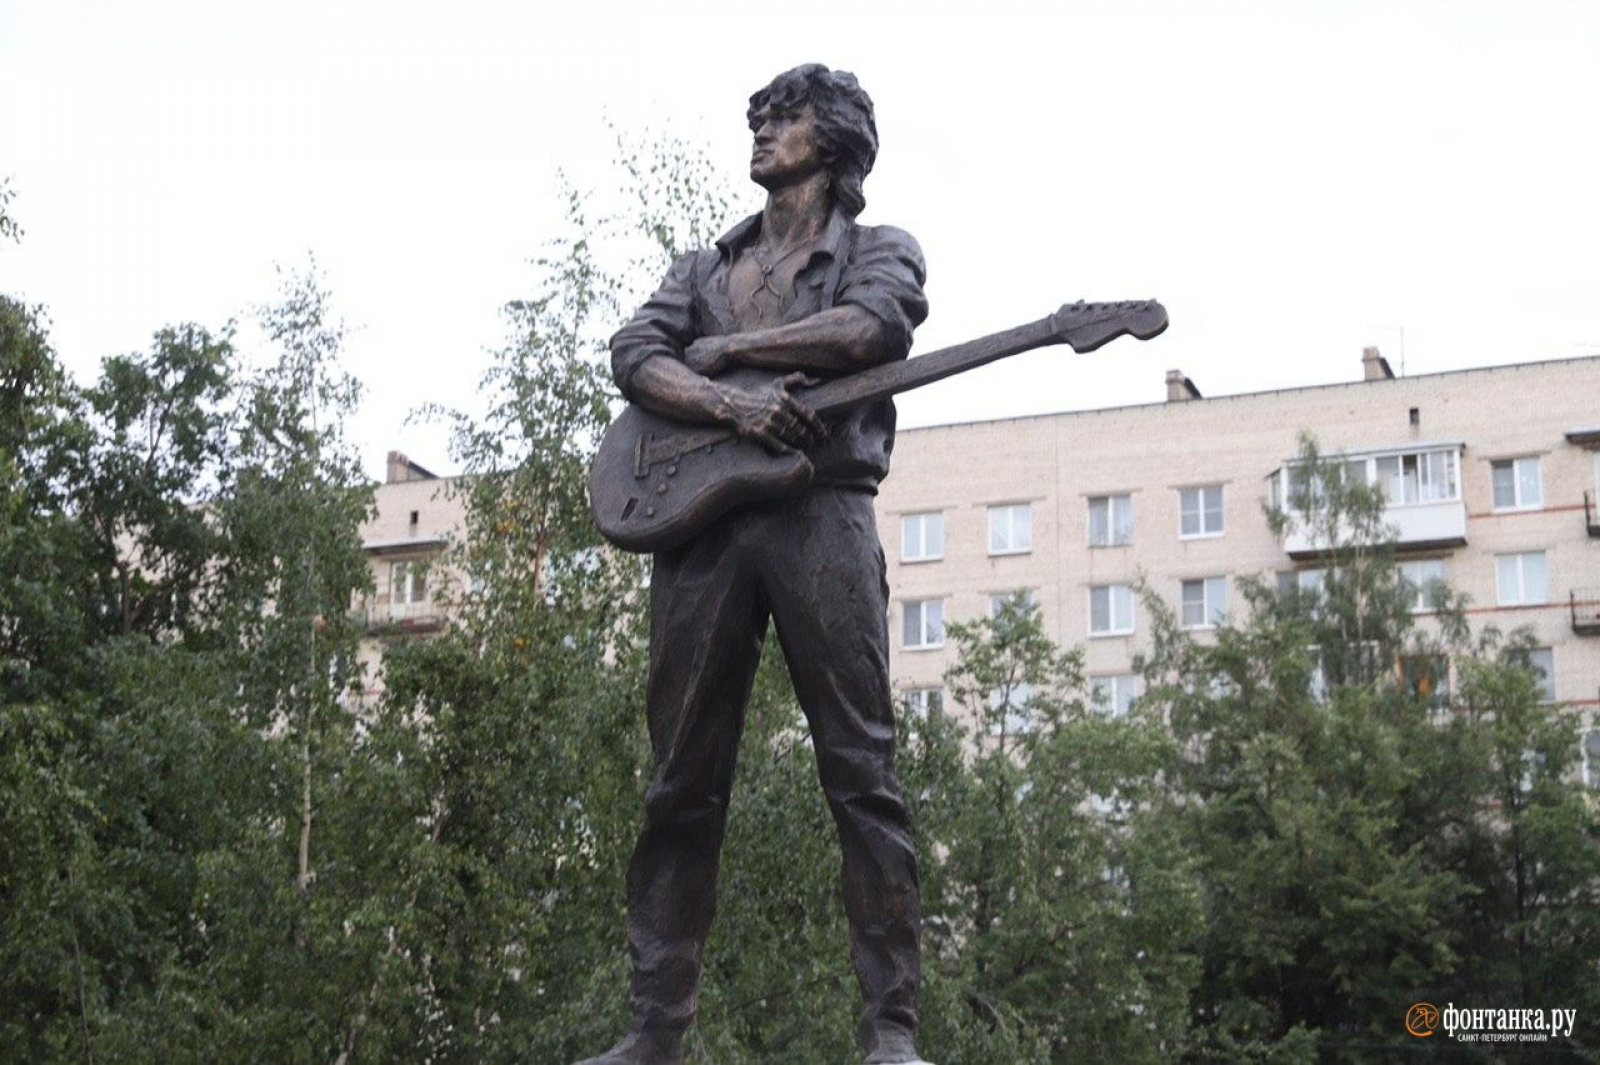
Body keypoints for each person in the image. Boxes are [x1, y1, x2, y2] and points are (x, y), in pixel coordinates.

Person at [579, 64, 930, 1065]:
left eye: (785, 118)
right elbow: (636, 353)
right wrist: (730, 404)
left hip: (820, 515)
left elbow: (872, 329)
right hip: (701, 529)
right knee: (679, 781)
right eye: (761, 119)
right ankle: (654, 1029)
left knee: (860, 771)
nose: (764, 131)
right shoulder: (702, 270)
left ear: (834, 139)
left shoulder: (878, 250)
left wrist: (730, 356)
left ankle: (890, 1029)